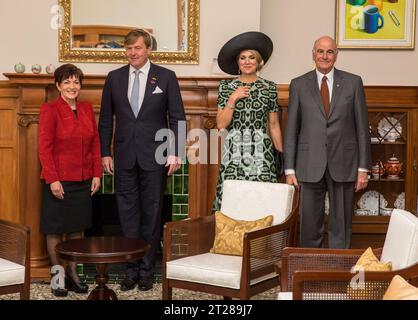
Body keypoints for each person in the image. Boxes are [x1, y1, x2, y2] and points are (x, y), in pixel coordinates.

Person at [98, 29, 186, 292]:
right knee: (127, 217)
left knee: (151, 215)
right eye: (128, 48)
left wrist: (176, 151)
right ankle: (131, 270)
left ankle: (147, 271)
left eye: (137, 48)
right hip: (123, 157)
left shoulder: (166, 77)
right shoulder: (114, 78)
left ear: (148, 50)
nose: (132, 53)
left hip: (155, 158)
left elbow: (178, 117)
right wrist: (105, 152)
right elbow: (105, 119)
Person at [284, 36, 371, 249]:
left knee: (341, 223)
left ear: (336, 55)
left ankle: (338, 270)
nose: (324, 56)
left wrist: (363, 168)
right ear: (313, 54)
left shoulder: (353, 82)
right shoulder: (298, 84)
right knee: (309, 225)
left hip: (344, 162)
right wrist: (289, 170)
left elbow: (362, 128)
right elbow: (291, 129)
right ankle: (310, 269)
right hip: (308, 163)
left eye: (330, 52)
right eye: (320, 51)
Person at [38, 64, 102, 297]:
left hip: (83, 180)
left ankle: (74, 276)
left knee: (77, 230)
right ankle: (58, 279)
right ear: (58, 85)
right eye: (67, 82)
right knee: (55, 230)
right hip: (58, 181)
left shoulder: (86, 108)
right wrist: (53, 180)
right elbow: (44, 149)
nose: (72, 86)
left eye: (76, 82)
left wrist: (97, 174)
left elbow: (95, 143)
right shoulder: (49, 110)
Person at [212, 31, 283, 211]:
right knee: (233, 199)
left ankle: (259, 238)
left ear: (258, 61)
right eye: (243, 58)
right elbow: (221, 124)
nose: (247, 61)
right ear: (238, 62)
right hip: (235, 148)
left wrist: (282, 155)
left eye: (252, 57)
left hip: (262, 150)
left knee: (262, 200)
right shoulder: (227, 87)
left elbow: (273, 125)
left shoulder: (269, 88)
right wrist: (232, 99)